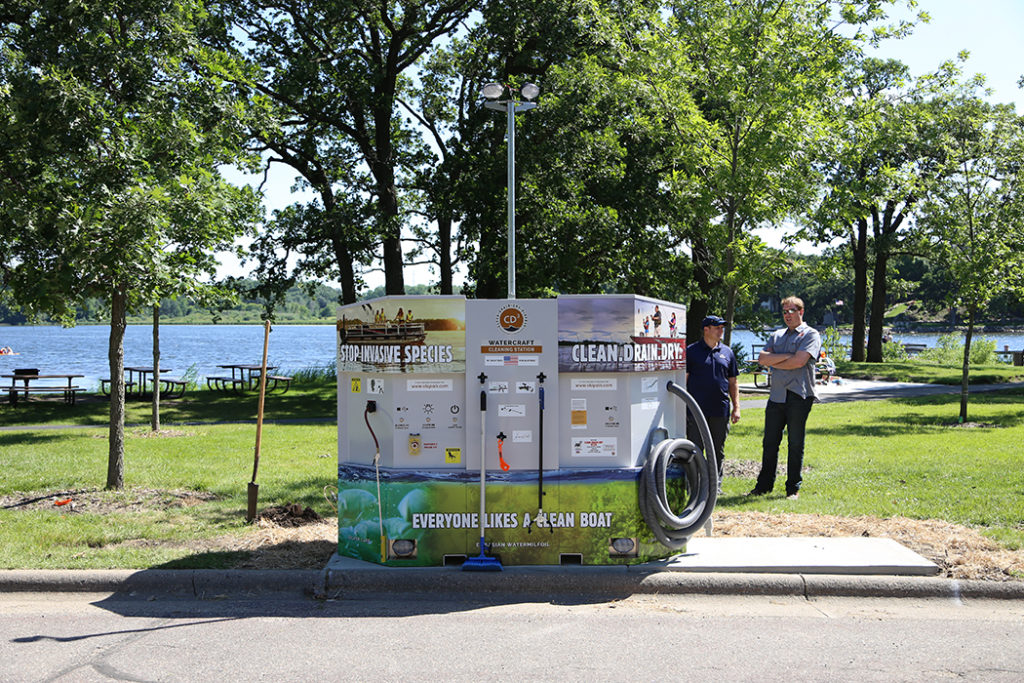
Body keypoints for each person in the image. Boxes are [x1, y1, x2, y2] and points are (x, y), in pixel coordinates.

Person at [749, 296, 821, 500]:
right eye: (785, 311)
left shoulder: (811, 334)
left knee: (795, 443)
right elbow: (762, 359)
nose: (788, 315)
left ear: (801, 312)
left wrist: (777, 360)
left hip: (799, 395)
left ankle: (792, 489)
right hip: (777, 395)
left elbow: (799, 363)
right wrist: (788, 357)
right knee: (769, 442)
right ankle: (763, 487)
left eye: (792, 310)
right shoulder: (777, 335)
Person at [685, 314, 740, 493]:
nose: (721, 330)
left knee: (717, 450)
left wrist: (736, 407)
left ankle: (715, 486)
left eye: (722, 327)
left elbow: (733, 382)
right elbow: (684, 381)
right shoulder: (691, 352)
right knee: (695, 449)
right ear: (706, 330)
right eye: (717, 327)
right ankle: (696, 486)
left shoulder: (727, 352)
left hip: (720, 409)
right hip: (696, 410)